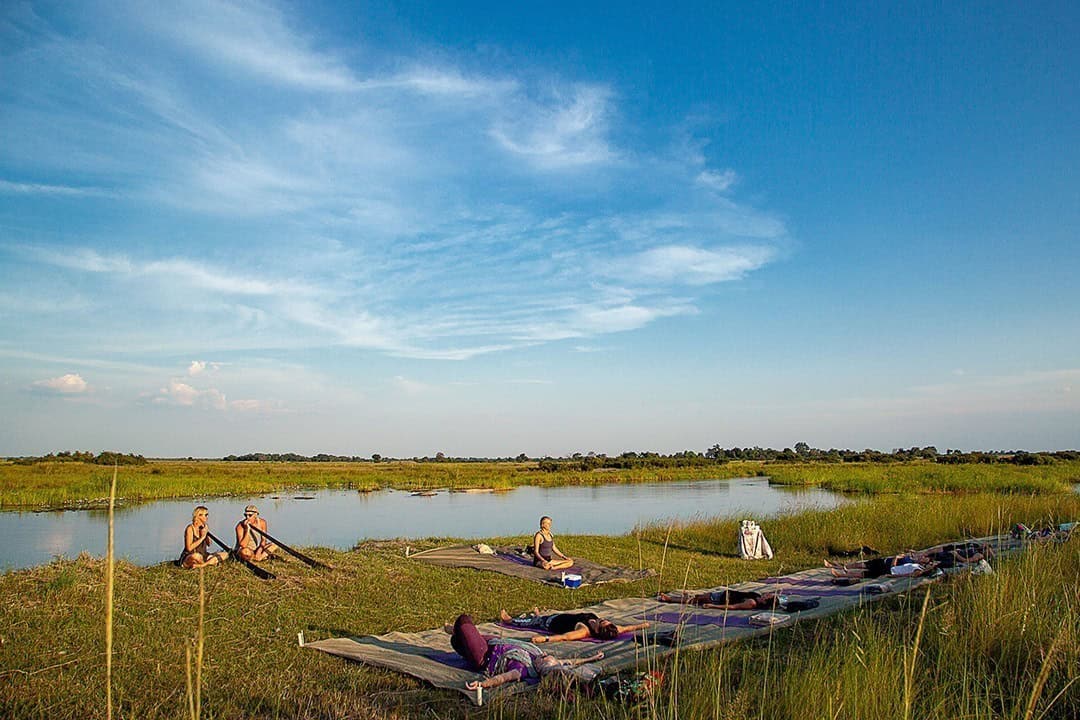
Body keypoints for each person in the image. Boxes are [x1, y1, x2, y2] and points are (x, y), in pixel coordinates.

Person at [447, 614, 604, 695]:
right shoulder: (544, 659)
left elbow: (501, 678)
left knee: (463, 621)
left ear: (540, 669)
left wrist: (482, 685)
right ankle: (459, 637)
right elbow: (570, 662)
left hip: (483, 654)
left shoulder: (523, 669)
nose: (547, 657)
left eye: (545, 662)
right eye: (551, 659)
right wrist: (592, 658)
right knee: (457, 640)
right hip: (493, 642)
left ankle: (459, 634)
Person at [499, 608, 650, 643]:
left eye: (603, 622)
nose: (603, 619)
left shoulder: (583, 631)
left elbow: (564, 637)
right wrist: (643, 625)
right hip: (561, 615)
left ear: (599, 629)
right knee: (541, 616)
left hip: (549, 623)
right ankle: (538, 614)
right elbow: (627, 628)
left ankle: (510, 620)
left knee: (531, 622)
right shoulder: (612, 628)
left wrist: (543, 639)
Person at [825, 553, 939, 579]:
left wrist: (890, 576)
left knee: (864, 573)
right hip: (888, 565)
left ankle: (840, 574)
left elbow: (904, 574)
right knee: (863, 567)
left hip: (889, 570)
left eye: (929, 564)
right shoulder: (916, 563)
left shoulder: (919, 571)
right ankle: (840, 569)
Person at [657, 588, 779, 611]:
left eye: (768, 596)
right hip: (723, 594)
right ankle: (674, 598)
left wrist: (713, 606)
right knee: (697, 598)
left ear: (764, 601)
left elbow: (733, 607)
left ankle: (670, 599)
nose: (767, 594)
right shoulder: (756, 595)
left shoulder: (752, 603)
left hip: (720, 599)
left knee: (696, 599)